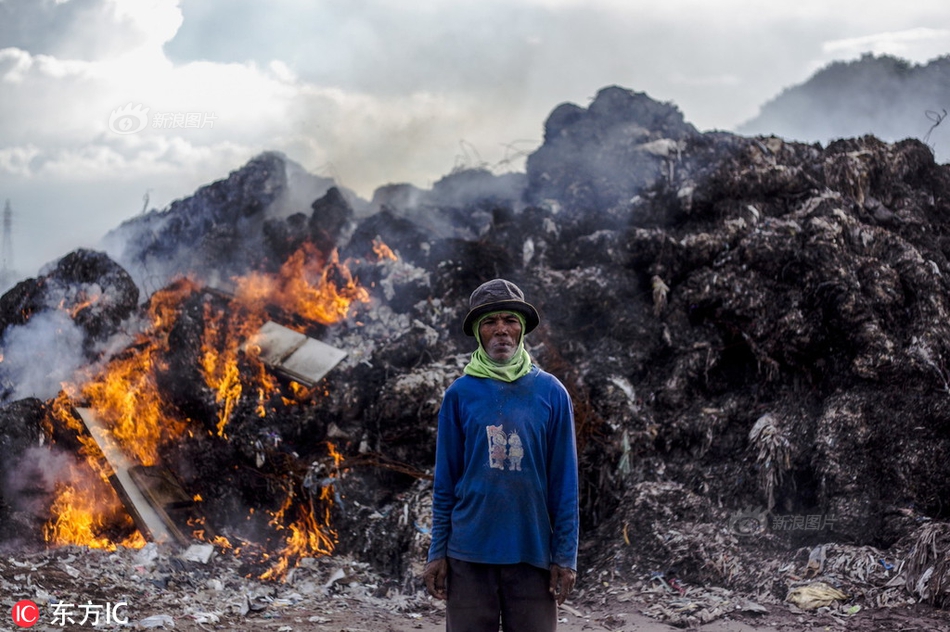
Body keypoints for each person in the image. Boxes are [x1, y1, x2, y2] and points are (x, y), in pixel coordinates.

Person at [423, 278, 579, 632]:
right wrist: (438, 552)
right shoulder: (460, 394)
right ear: (478, 333)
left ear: (522, 329)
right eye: (490, 322)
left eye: (510, 320)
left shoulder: (551, 393)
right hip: (469, 555)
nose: (501, 331)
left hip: (532, 555)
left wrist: (565, 556)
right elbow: (445, 482)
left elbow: (565, 483)